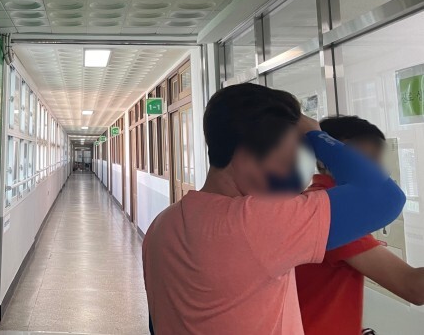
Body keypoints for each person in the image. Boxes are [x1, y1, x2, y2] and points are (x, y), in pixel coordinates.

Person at [142, 83, 405, 335]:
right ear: (244, 155)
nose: (292, 177)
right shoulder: (253, 223)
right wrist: (316, 134)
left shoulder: (161, 225)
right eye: (286, 162)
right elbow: (385, 198)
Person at [296, 116, 424, 335]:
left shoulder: (314, 199)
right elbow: (413, 287)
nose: (378, 173)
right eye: (365, 162)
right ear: (326, 159)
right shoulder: (331, 211)